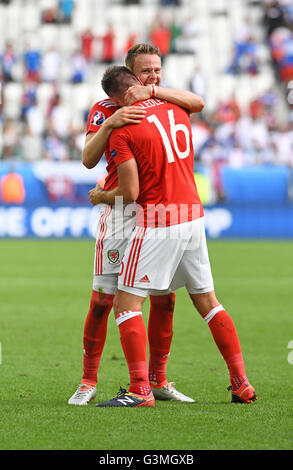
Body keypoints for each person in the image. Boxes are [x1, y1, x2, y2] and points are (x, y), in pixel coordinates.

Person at [90, 66, 257, 408]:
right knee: (208, 302)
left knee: (126, 305)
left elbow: (131, 191)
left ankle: (139, 390)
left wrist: (101, 196)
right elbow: (197, 103)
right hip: (193, 215)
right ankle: (241, 384)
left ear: (114, 100)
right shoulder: (177, 108)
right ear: (139, 84)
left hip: (159, 218)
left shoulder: (124, 128)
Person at [68, 43, 205, 406]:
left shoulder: (166, 100)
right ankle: (88, 380)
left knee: (165, 299)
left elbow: (199, 102)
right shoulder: (105, 109)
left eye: (157, 71)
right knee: (102, 300)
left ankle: (156, 381)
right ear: (129, 73)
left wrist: (155, 90)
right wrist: (111, 122)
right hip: (121, 215)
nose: (153, 77)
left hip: (157, 215)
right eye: (146, 72)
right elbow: (87, 159)